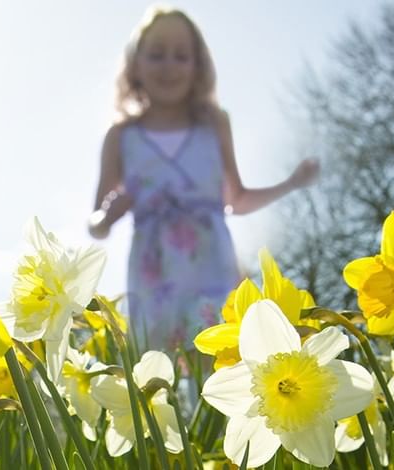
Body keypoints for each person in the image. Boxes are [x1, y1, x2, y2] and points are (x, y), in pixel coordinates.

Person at [88, 6, 319, 351]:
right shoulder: (122, 136)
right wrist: (108, 214)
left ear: (198, 66)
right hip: (153, 274)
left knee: (221, 355)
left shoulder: (214, 123)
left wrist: (291, 183)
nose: (169, 66)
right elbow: (95, 225)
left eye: (181, 56)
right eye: (156, 55)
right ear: (135, 65)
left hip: (213, 264)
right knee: (153, 367)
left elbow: (235, 200)